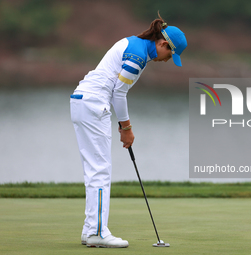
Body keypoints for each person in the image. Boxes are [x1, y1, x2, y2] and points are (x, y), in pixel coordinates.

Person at [70, 14, 187, 248]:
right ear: (163, 44)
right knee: (100, 171)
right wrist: (127, 129)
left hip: (83, 101)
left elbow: (115, 90)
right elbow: (119, 93)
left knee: (94, 170)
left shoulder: (134, 43)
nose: (167, 60)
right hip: (94, 104)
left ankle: (90, 230)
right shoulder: (138, 55)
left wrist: (123, 125)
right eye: (170, 54)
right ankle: (98, 233)